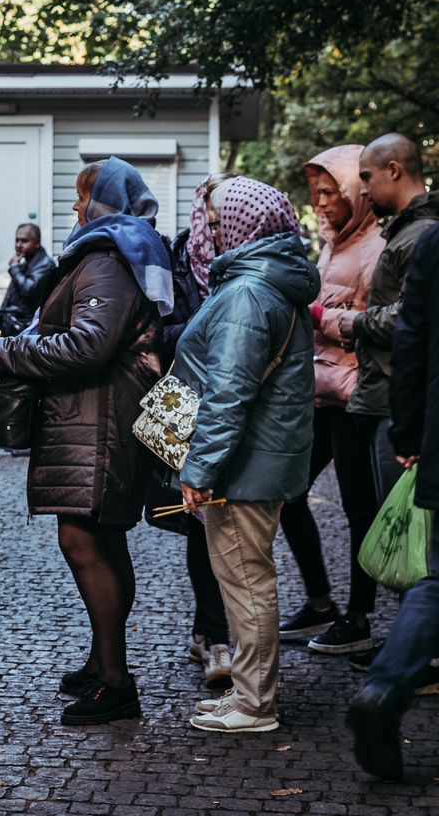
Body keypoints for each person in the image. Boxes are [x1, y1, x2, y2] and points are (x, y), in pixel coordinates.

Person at [0, 156, 173, 726]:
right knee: (103, 542)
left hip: (99, 420)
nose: (74, 207)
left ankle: (115, 684)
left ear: (105, 200)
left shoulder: (109, 255)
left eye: (82, 196)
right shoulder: (123, 251)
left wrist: (7, 351)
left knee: (85, 542)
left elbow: (88, 345)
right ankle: (102, 662)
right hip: (100, 417)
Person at [174, 176, 319, 733]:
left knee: (246, 580)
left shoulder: (247, 292)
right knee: (247, 577)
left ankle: (255, 703)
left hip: (245, 465)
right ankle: (246, 690)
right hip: (261, 457)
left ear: (244, 224)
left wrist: (200, 469)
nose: (210, 230)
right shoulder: (268, 281)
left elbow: (227, 391)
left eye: (216, 221)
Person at [277, 146, 383, 654]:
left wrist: (323, 318)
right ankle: (321, 604)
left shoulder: (377, 247)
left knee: (359, 509)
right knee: (288, 492)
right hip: (320, 391)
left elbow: (384, 326)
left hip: (355, 396)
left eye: (329, 191)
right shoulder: (333, 243)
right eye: (314, 191)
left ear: (356, 193)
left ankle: (360, 621)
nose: (318, 201)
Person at [347, 221, 439, 781]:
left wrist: (408, 433)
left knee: (436, 577)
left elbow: (411, 338)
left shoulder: (433, 241)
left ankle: (384, 687)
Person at [344, 132, 439, 670]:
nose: (362, 190)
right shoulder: (406, 232)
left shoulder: (421, 234)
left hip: (396, 404)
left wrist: (349, 320)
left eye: (367, 177)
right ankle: (411, 647)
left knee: (411, 532)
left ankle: (416, 657)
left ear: (396, 170)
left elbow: (407, 323)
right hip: (386, 398)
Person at [154, 173, 232, 688]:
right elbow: (155, 331)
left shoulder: (248, 260)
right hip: (185, 399)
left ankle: (219, 631)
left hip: (232, 402)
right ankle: (213, 632)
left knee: (228, 518)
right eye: (212, 211)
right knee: (197, 519)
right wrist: (204, 328)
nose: (216, 224)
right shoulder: (177, 257)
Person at [0, 223, 56, 337]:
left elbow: (28, 289)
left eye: (24, 241)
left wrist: (14, 268)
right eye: (17, 240)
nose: (18, 245)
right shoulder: (27, 261)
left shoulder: (45, 264)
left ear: (37, 243)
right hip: (15, 327)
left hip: (25, 329)